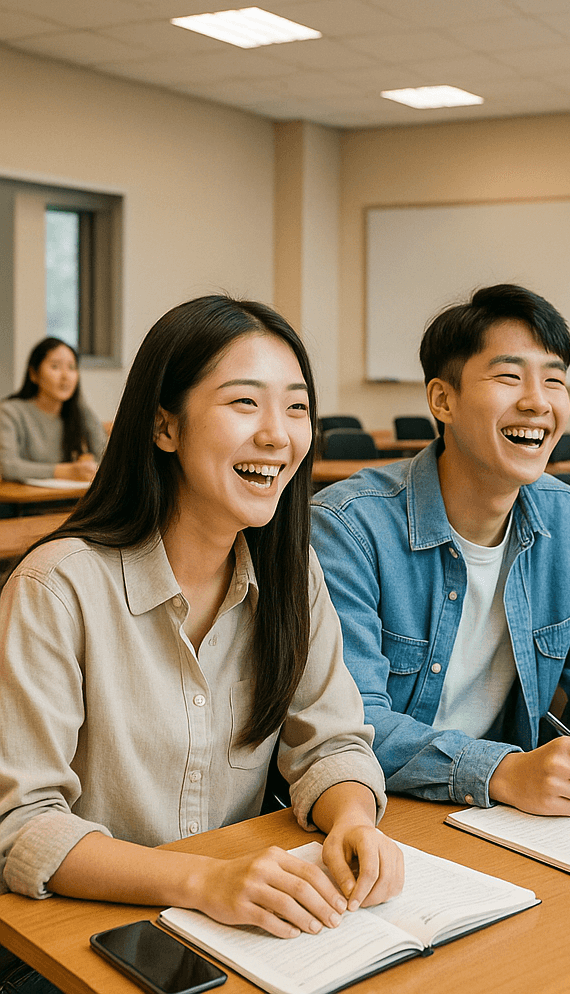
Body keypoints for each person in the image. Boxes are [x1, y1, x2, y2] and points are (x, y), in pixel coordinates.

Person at [0, 296, 403, 992]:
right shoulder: (56, 588)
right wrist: (206, 881)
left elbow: (331, 744)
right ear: (164, 424)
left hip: (236, 936)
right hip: (71, 945)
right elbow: (22, 822)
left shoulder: (290, 571)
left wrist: (354, 821)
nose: (278, 435)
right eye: (245, 402)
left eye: (297, 408)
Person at [310, 283, 570, 819]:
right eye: (509, 376)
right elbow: (353, 726)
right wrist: (503, 771)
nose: (538, 401)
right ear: (443, 400)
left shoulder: (567, 517)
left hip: (505, 813)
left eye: (554, 379)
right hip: (380, 812)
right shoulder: (348, 528)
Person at [0, 337, 107, 482]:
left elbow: (108, 459)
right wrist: (67, 471)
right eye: (55, 367)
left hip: (69, 498)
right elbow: (7, 466)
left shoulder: (80, 412)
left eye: (71, 367)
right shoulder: (10, 412)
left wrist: (89, 465)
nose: (65, 376)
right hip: (24, 501)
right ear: (33, 374)